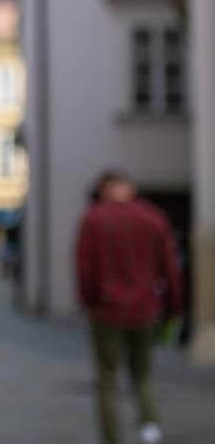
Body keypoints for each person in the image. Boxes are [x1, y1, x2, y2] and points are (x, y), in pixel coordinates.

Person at [76, 170, 184, 444]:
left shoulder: (94, 219)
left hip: (107, 309)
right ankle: (150, 428)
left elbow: (85, 267)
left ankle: (112, 437)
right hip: (145, 308)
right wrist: (173, 307)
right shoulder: (153, 217)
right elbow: (170, 266)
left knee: (106, 377)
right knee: (143, 373)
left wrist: (88, 302)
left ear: (104, 190)